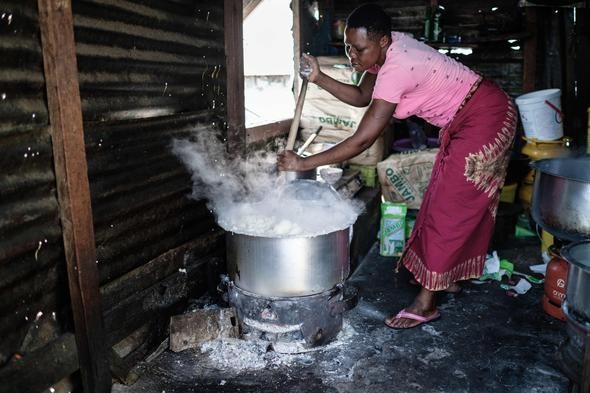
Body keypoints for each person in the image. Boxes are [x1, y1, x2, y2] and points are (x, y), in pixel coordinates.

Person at [277, 3, 516, 329]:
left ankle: (426, 303)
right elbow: (363, 96)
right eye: (348, 47)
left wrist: (304, 161)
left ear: (383, 42)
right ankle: (444, 277)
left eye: (359, 49)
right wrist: (319, 77)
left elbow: (362, 140)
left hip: (487, 116)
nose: (352, 56)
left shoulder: (397, 67)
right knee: (439, 198)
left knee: (450, 205)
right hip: (466, 119)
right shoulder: (384, 53)